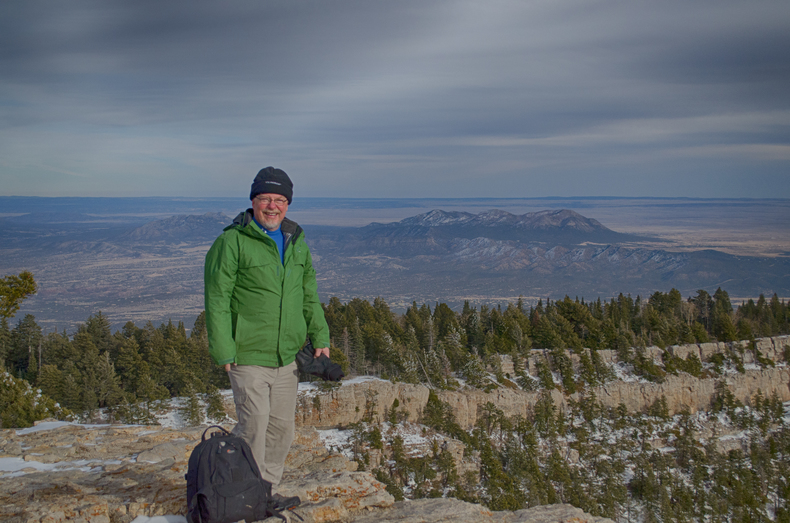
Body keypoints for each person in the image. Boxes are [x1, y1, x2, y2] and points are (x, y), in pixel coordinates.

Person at [204, 166, 331, 505]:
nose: (272, 206)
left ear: (287, 204)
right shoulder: (231, 242)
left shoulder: (296, 242)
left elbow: (308, 293)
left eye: (280, 200)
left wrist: (320, 336)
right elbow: (216, 300)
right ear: (253, 201)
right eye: (265, 199)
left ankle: (264, 492)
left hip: (286, 357)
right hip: (248, 354)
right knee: (254, 427)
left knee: (281, 431)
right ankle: (238, 495)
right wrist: (224, 350)